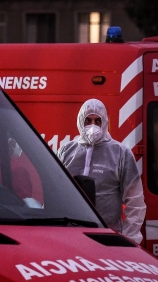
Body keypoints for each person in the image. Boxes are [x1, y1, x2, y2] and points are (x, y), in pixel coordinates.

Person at [57, 99, 146, 244]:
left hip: (107, 235)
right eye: (88, 120)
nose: (93, 126)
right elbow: (54, 192)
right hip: (71, 235)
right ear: (80, 121)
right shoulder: (66, 151)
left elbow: (135, 201)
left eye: (98, 121)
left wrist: (129, 239)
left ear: (105, 122)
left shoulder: (120, 153)